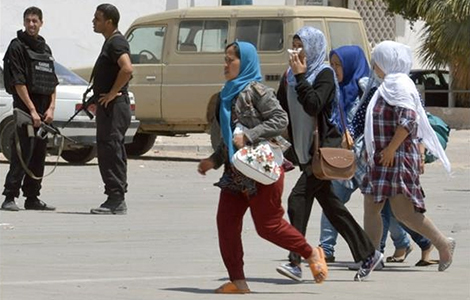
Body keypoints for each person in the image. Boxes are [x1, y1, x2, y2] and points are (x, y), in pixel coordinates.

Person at [197, 41, 327, 293]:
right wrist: (213, 161)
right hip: (236, 173)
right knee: (226, 225)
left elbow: (280, 119)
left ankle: (311, 254)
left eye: (230, 60)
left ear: (244, 62)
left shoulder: (257, 91)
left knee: (268, 226)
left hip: (262, 170)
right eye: (225, 59)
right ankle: (238, 281)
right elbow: (230, 136)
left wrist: (251, 135)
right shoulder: (226, 94)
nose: (225, 64)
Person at [274, 27, 382, 282]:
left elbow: (314, 104)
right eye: (294, 46)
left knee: (297, 199)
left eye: (302, 47)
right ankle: (368, 254)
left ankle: (296, 261)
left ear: (312, 48)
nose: (297, 52)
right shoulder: (289, 75)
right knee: (333, 207)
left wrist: (301, 78)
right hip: (303, 150)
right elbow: (280, 110)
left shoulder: (323, 74)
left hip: (320, 152)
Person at [362, 40, 455, 272]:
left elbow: (408, 120)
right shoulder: (386, 85)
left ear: (388, 61)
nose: (374, 66)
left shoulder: (401, 85)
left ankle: (443, 243)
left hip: (397, 157)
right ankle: (371, 256)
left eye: (377, 61)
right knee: (372, 206)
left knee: (404, 213)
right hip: (382, 158)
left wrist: (391, 149)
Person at [1, 6, 58, 212]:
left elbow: (52, 82)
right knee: (22, 152)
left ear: (41, 23)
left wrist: (51, 108)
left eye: (35, 21)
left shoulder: (45, 49)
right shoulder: (17, 47)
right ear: (24, 23)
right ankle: (9, 196)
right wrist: (32, 111)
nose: (31, 24)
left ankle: (32, 197)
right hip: (26, 109)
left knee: (39, 154)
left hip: (43, 111)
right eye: (28, 21)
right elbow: (18, 81)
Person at [89, 4, 133, 215]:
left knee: (111, 150)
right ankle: (115, 196)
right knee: (109, 149)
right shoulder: (111, 42)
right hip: (109, 107)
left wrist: (113, 92)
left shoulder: (116, 42)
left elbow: (127, 68)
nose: (93, 22)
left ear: (109, 22)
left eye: (97, 18)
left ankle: (116, 198)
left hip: (115, 107)